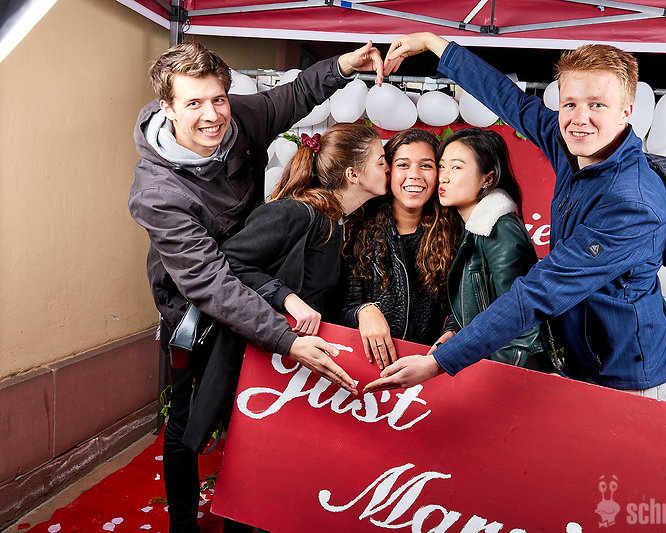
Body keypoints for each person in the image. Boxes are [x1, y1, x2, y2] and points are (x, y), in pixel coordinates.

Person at [128, 41, 382, 533]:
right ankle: (183, 523)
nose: (211, 115)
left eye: (218, 99)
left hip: (255, 290)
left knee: (249, 415)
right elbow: (210, 281)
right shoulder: (156, 192)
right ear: (167, 108)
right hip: (193, 305)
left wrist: (343, 65)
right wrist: (286, 337)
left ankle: (244, 511)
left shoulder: (239, 118)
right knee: (190, 416)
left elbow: (294, 96)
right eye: (194, 103)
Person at [365, 32, 666, 401]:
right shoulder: (572, 145)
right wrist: (434, 43)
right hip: (581, 358)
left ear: (626, 112)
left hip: (629, 376)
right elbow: (509, 100)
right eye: (570, 104)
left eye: (597, 105)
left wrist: (441, 361)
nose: (579, 119)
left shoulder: (632, 205)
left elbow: (538, 292)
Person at [182, 122, 388, 486]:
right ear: (353, 174)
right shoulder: (293, 213)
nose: (388, 169)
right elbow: (226, 263)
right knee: (250, 471)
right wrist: (287, 298)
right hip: (255, 360)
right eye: (382, 161)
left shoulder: (338, 222)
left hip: (287, 364)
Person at [337, 129, 459, 368]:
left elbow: (464, 303)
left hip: (432, 368)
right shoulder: (357, 231)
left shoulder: (455, 231)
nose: (415, 175)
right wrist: (363, 311)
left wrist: (453, 331)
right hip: (369, 366)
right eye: (403, 165)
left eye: (426, 166)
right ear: (388, 172)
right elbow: (336, 307)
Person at [434, 128, 550, 370]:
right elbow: (477, 300)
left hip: (516, 368)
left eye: (456, 167)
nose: (443, 177)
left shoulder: (499, 228)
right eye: (442, 166)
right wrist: (454, 331)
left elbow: (522, 319)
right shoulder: (472, 227)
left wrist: (497, 374)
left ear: (487, 179)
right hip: (485, 360)